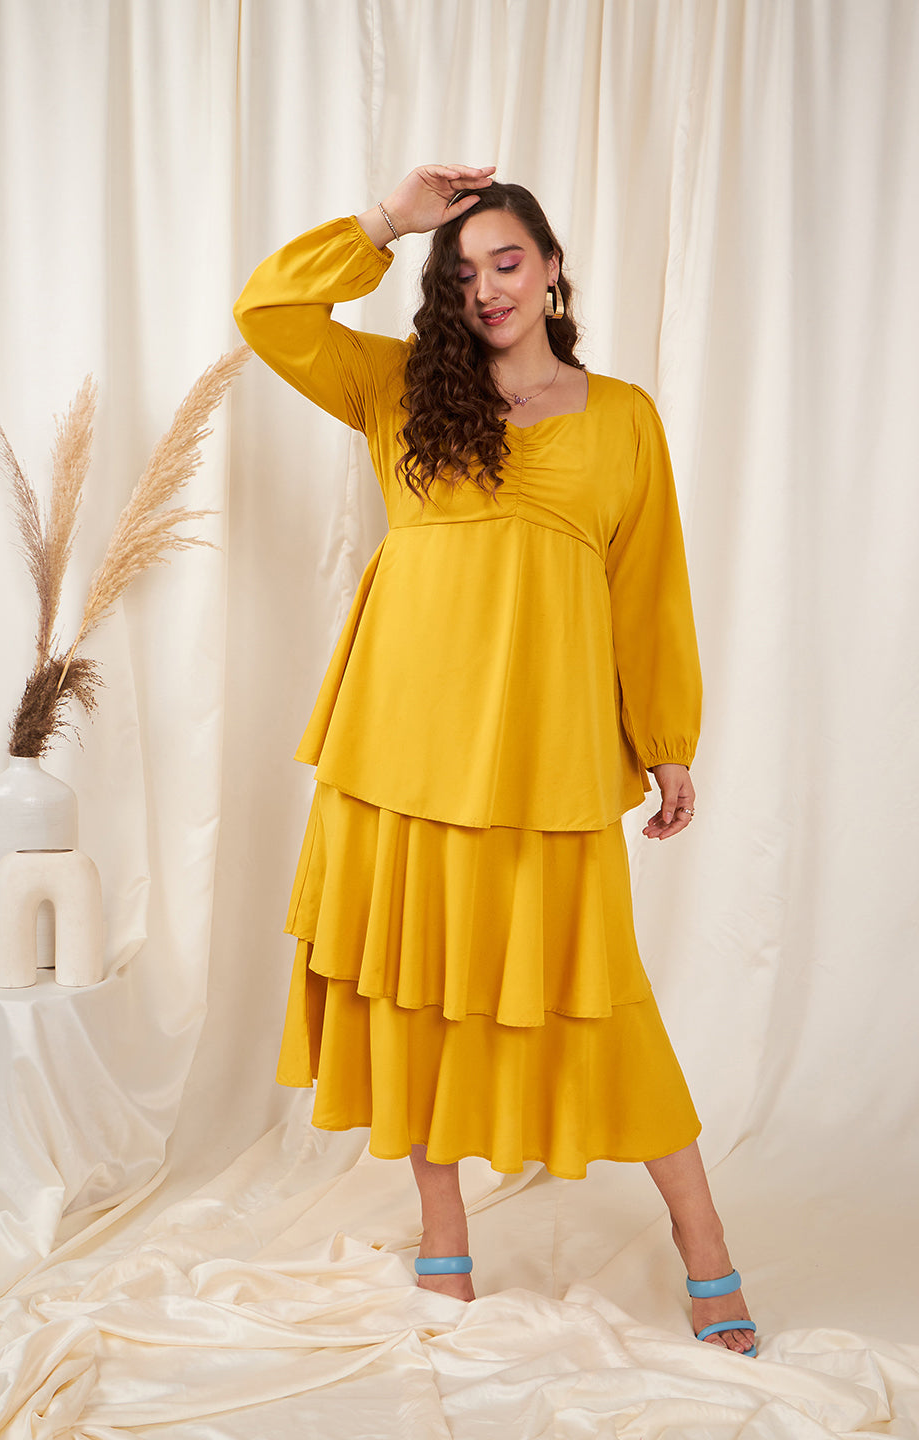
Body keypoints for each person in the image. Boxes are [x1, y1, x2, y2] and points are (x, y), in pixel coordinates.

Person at [233, 164, 756, 1355]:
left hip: (545, 760)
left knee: (602, 995)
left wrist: (666, 742)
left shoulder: (623, 417)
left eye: (507, 260)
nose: (486, 288)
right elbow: (268, 312)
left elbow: (649, 590)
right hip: (400, 750)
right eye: (461, 271)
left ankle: (704, 1240)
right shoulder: (398, 392)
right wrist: (387, 219)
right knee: (420, 990)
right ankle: (443, 1234)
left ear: (553, 266)